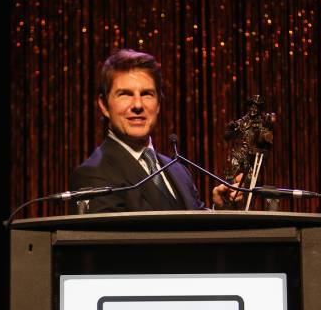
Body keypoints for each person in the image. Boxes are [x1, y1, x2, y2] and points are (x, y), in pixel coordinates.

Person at [69, 49, 241, 214]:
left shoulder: (178, 170)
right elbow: (115, 241)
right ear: (104, 105)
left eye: (146, 94)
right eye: (125, 94)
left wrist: (219, 209)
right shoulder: (93, 174)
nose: (137, 105)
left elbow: (195, 228)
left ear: (158, 104)